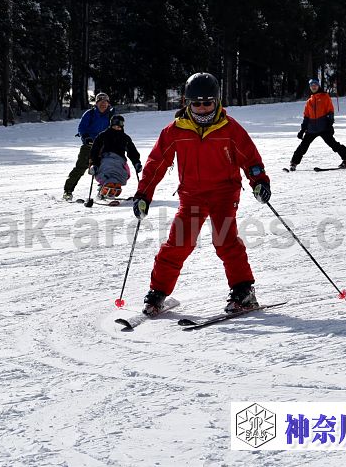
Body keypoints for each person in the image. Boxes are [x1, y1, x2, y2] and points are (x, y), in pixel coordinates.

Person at [132, 72, 272, 315]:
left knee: (225, 240)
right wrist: (143, 195)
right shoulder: (175, 130)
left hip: (224, 193)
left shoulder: (229, 128)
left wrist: (259, 181)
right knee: (178, 242)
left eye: (207, 103)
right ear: (187, 102)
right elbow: (156, 165)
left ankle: (243, 290)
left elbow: (250, 158)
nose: (202, 108)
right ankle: (158, 292)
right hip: (192, 196)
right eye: (196, 103)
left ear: (216, 101)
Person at [288, 78, 346, 171]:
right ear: (310, 87)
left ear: (318, 86)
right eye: (312, 85)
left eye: (315, 85)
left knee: (334, 145)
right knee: (303, 146)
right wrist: (302, 130)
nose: (314, 87)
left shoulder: (325, 97)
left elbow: (330, 111)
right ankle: (293, 163)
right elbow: (306, 117)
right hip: (311, 129)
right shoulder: (309, 101)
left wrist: (330, 124)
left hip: (324, 128)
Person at [63, 92, 114, 200]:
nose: (103, 104)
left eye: (105, 102)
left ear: (108, 104)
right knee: (80, 168)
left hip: (103, 147)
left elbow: (115, 129)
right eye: (101, 102)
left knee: (106, 168)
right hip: (89, 146)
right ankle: (68, 191)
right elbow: (82, 128)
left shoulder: (111, 115)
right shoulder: (90, 114)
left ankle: (103, 191)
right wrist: (86, 137)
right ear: (96, 103)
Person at [88, 115, 142, 198]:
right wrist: (94, 164)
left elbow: (132, 151)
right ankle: (104, 189)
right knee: (108, 171)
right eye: (115, 126)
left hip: (120, 161)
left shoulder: (125, 138)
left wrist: (136, 162)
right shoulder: (103, 136)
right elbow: (95, 150)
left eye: (119, 126)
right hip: (105, 159)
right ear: (111, 125)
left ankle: (114, 189)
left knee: (120, 174)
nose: (117, 128)